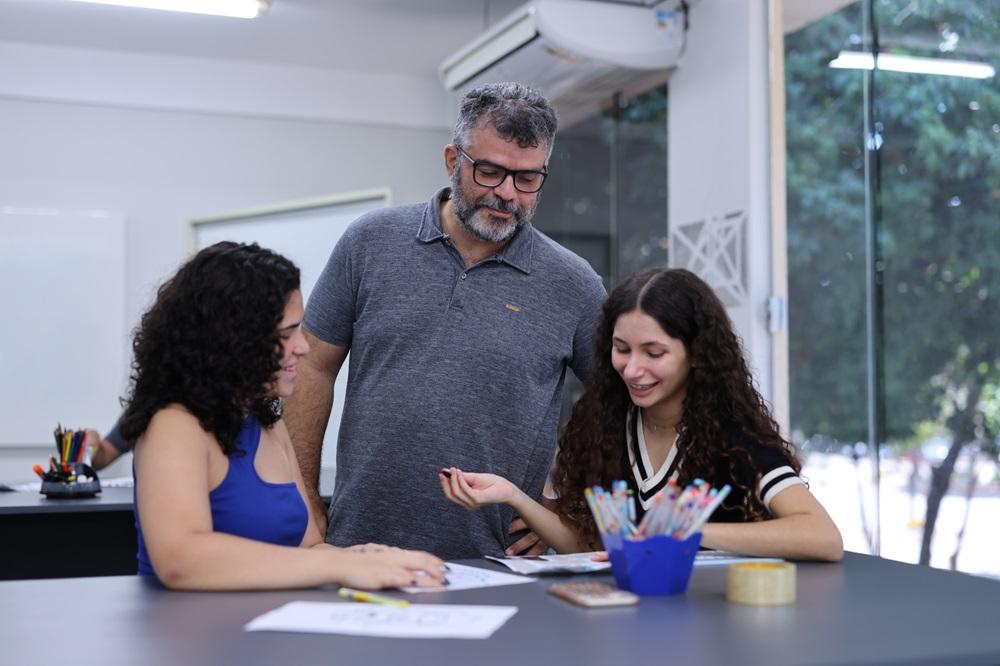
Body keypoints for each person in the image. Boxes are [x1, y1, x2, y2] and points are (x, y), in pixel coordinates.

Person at [284, 82, 607, 560]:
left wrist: (566, 508)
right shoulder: (370, 242)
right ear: (453, 160)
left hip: (500, 559)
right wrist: (304, 495)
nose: (506, 194)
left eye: (526, 179)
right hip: (360, 544)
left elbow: (623, 399)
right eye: (491, 171)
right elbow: (311, 366)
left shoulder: (572, 282)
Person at [439, 268, 844, 561]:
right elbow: (592, 547)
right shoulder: (606, 425)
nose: (633, 369)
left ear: (697, 355)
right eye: (622, 349)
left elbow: (822, 537)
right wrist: (512, 495)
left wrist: (685, 532)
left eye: (654, 353)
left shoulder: (733, 434)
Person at [119, 241, 446, 590]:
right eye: (286, 334)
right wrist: (334, 564)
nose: (302, 347)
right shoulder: (173, 424)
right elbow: (180, 559)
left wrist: (356, 558)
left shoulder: (268, 419)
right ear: (232, 339)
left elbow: (307, 547)